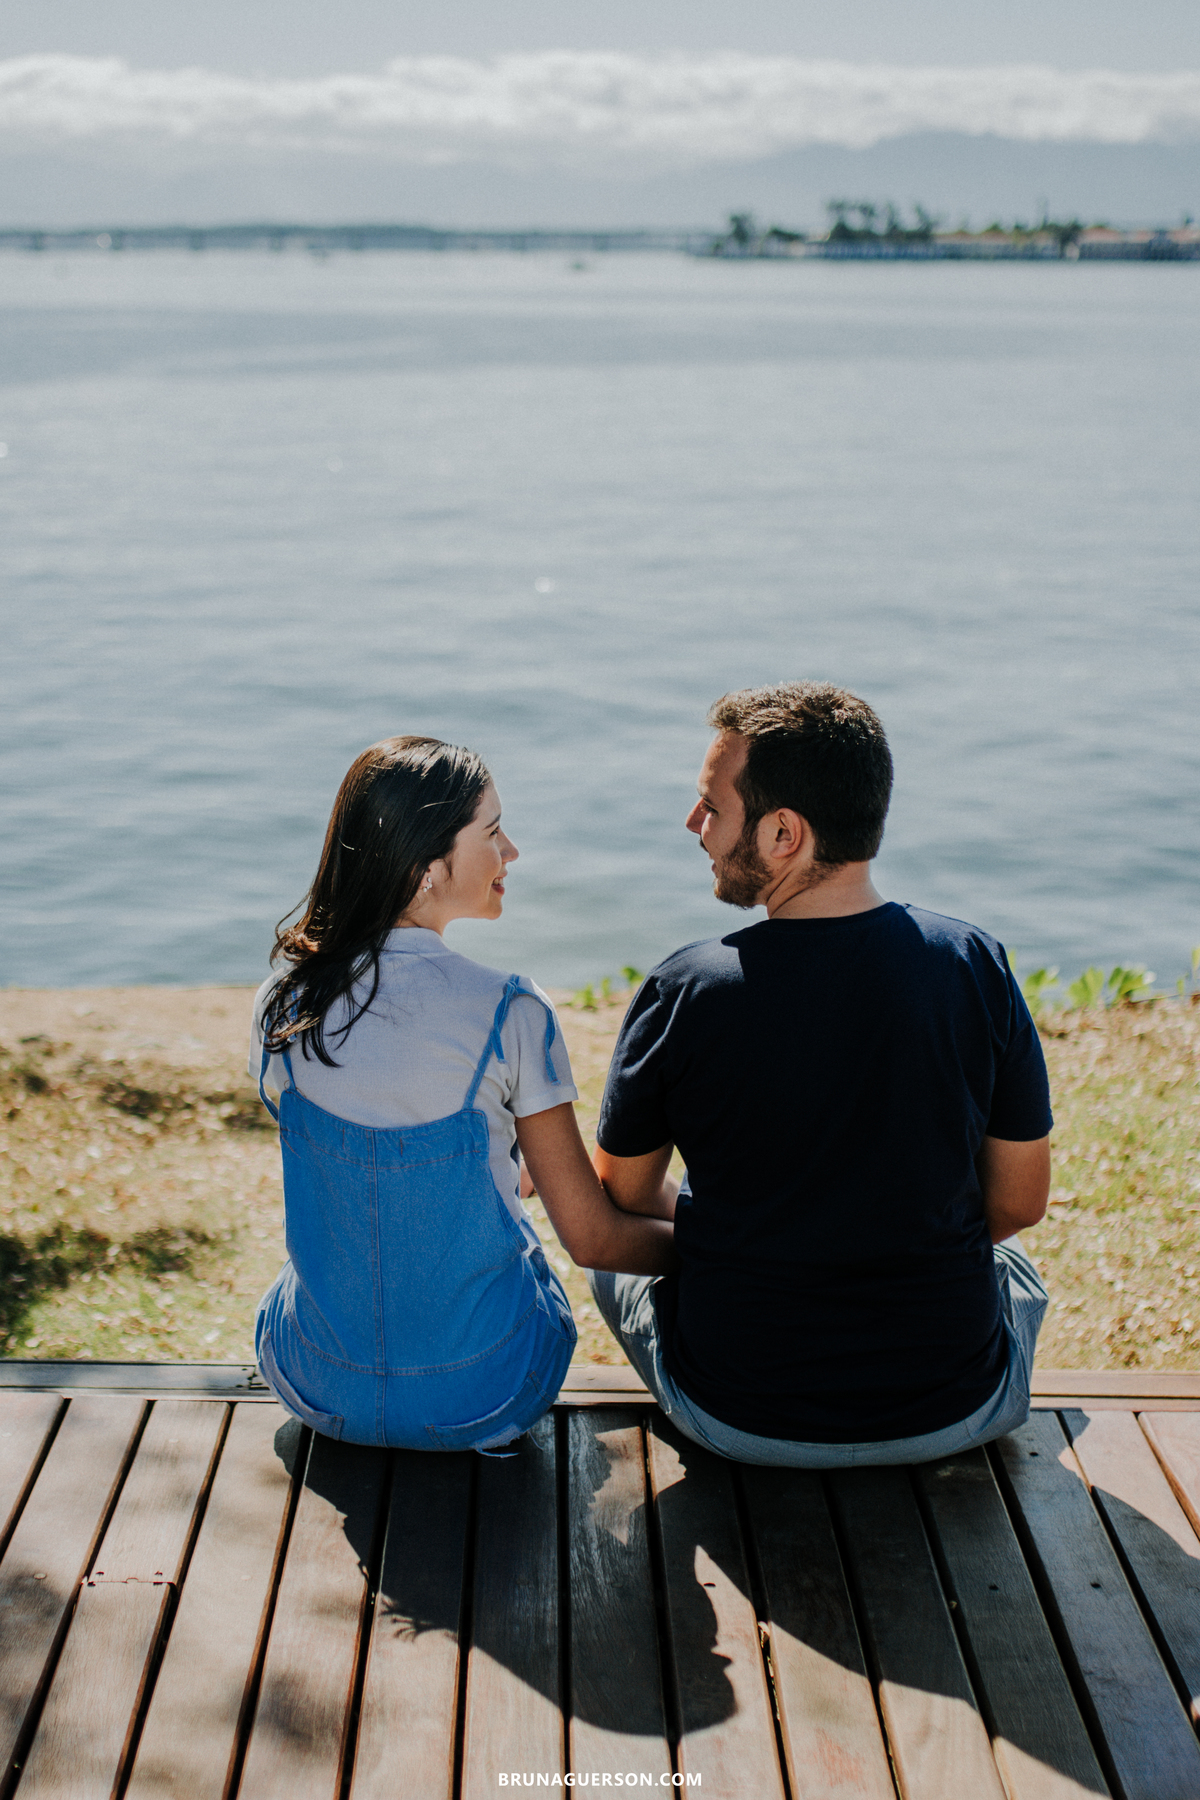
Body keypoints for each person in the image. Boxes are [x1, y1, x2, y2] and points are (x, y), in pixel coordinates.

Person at [590, 682, 1052, 1468]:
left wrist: (735, 1231)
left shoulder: (686, 990)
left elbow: (627, 1196)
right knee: (1013, 1268)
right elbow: (1018, 1203)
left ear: (782, 833)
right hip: (958, 1407)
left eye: (711, 807)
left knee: (612, 1264)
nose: (693, 824)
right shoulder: (974, 964)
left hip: (737, 1416)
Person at [250, 734, 674, 1450]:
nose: (511, 853)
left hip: (319, 1384)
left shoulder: (283, 1004)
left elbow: (368, 1152)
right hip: (484, 1394)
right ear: (424, 867)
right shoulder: (511, 1009)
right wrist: (741, 1242)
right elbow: (593, 1238)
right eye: (493, 832)